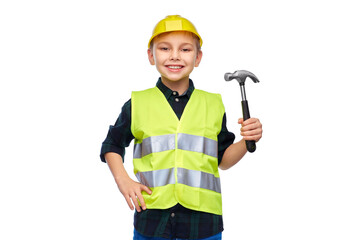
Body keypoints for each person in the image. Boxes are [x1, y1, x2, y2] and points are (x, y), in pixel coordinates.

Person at [100, 15, 263, 240]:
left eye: (185, 50)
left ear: (198, 57)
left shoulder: (213, 104)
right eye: (165, 48)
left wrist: (247, 141)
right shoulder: (137, 104)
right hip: (152, 221)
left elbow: (223, 160)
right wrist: (123, 181)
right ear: (151, 55)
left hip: (204, 224)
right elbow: (112, 144)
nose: (175, 56)